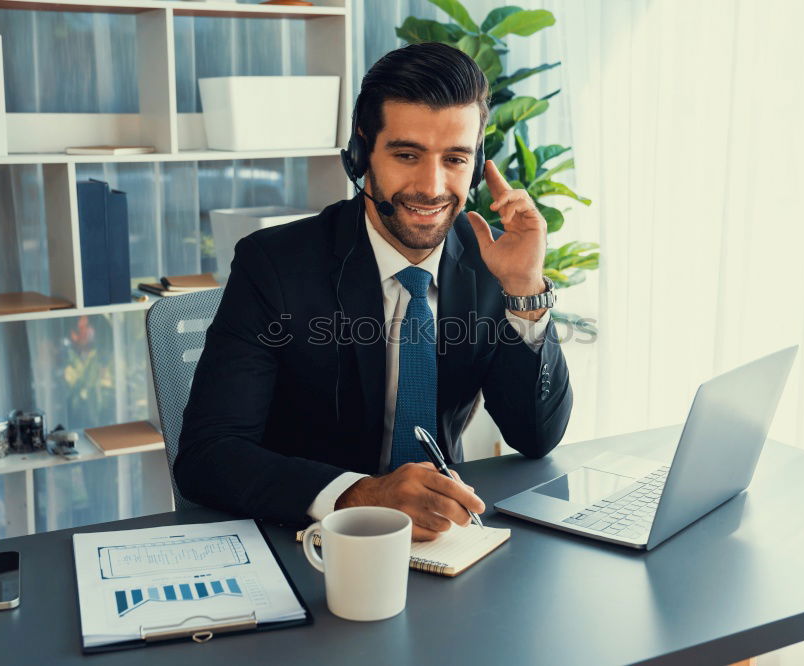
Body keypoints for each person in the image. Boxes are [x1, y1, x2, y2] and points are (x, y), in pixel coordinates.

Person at [175, 42, 573, 541]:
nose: (431, 187)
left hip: (444, 537)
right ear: (362, 152)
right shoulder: (274, 264)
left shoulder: (492, 261)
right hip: (309, 541)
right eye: (407, 154)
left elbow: (536, 438)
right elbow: (207, 456)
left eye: (455, 159)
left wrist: (524, 289)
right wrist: (361, 495)